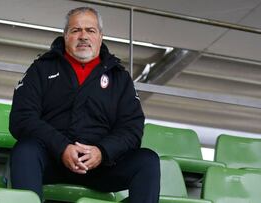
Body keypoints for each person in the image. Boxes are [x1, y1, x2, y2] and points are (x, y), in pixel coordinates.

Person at [9, 7, 160, 203]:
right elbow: (21, 118)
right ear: (65, 36)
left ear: (100, 36)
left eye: (90, 30)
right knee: (24, 150)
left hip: (100, 167)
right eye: (75, 30)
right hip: (51, 159)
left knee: (147, 161)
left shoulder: (119, 78)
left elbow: (132, 128)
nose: (83, 36)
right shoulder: (42, 68)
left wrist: (102, 152)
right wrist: (62, 147)